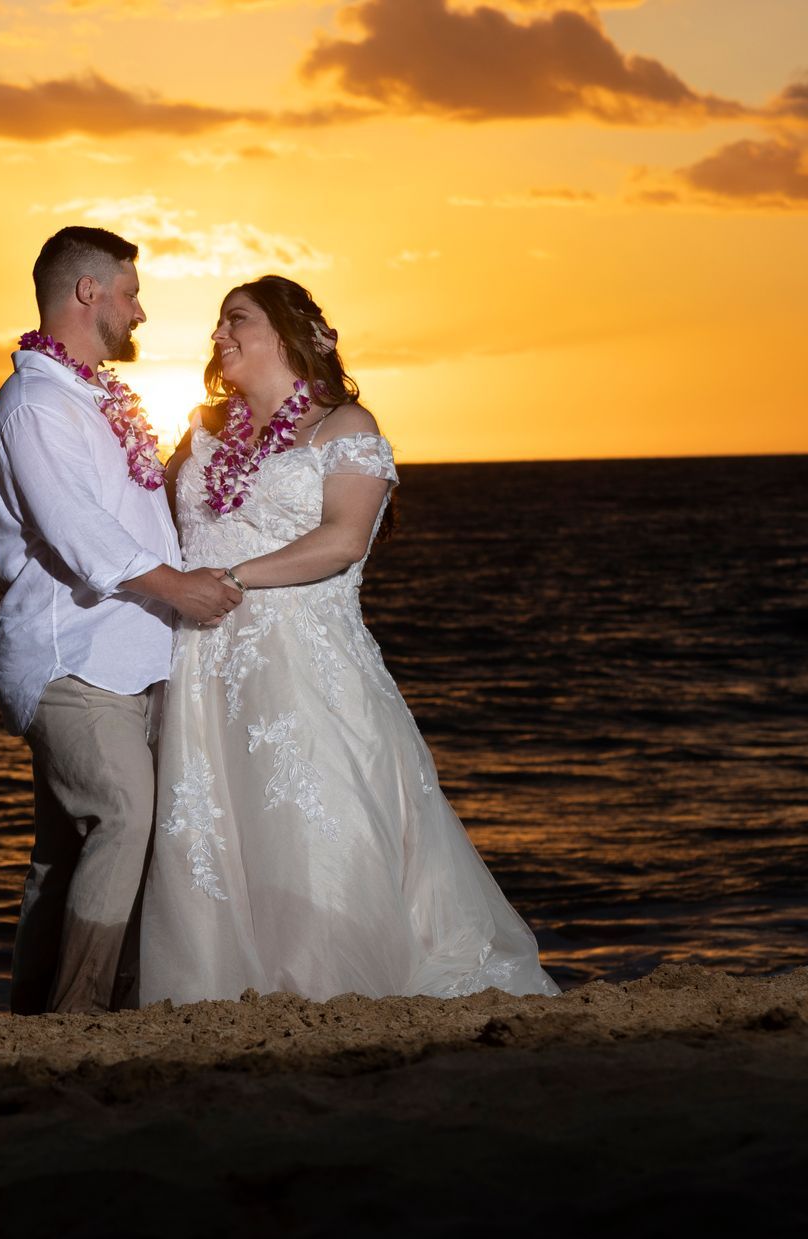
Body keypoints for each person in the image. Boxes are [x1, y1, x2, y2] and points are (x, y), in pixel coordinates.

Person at [139, 275, 559, 1004]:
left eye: (236, 319)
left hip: (304, 661)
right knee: (211, 821)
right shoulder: (202, 428)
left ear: (289, 334)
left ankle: (332, 988)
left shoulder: (344, 429)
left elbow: (340, 541)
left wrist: (225, 574)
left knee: (311, 816)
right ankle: (217, 988)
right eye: (217, 324)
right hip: (202, 659)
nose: (219, 335)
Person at [0, 226, 242, 1014]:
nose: (140, 310)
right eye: (129, 292)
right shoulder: (33, 404)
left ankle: (31, 1016)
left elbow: (132, 509)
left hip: (128, 657)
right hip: (73, 659)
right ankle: (78, 1016)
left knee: (62, 853)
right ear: (86, 292)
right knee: (125, 813)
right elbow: (78, 531)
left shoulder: (91, 398)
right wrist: (181, 589)